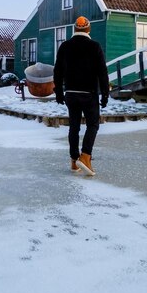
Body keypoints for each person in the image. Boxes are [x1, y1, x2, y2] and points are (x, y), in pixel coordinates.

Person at [53, 16, 109, 176]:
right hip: (89, 94)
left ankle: (73, 161)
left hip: (70, 93)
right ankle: (85, 156)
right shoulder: (94, 46)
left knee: (74, 127)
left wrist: (58, 91)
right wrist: (105, 93)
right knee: (92, 125)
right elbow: (102, 72)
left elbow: (58, 71)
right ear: (88, 30)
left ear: (75, 29)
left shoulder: (65, 46)